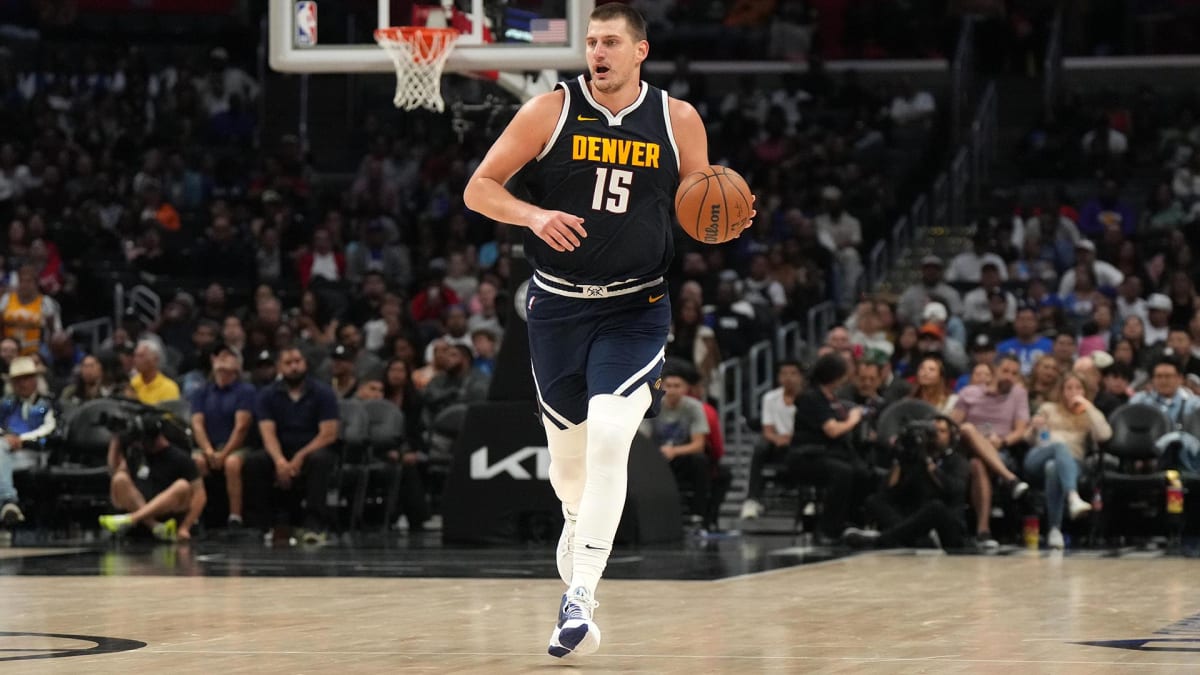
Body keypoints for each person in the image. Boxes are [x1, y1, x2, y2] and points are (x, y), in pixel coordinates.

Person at [462, 4, 752, 659]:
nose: (598, 51)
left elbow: (699, 203)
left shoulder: (677, 119)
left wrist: (722, 216)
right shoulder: (549, 111)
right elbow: (479, 189)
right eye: (592, 41)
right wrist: (533, 216)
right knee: (570, 472)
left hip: (635, 308)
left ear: (639, 51)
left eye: (611, 42)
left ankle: (580, 599)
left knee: (612, 438)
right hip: (558, 308)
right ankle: (576, 519)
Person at [246, 348, 340, 544]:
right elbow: (268, 433)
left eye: (298, 361)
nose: (294, 367)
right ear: (279, 367)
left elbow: (328, 434)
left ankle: (314, 524)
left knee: (320, 460)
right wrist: (280, 461)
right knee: (256, 461)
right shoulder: (267, 394)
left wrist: (300, 456)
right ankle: (262, 525)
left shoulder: (323, 392)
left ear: (305, 363)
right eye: (288, 363)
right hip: (281, 449)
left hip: (312, 448)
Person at [843, 416, 971, 550]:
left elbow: (955, 489)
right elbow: (888, 491)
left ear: (951, 437)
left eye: (942, 431)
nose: (936, 435)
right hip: (917, 521)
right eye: (933, 431)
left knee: (935, 507)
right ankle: (914, 538)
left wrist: (932, 467)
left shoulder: (957, 460)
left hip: (948, 527)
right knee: (874, 501)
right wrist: (900, 458)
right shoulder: (916, 459)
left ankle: (879, 540)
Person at [788, 354, 873, 542]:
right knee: (842, 473)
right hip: (806, 456)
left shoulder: (832, 398)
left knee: (862, 472)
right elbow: (832, 430)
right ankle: (827, 528)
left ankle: (851, 523)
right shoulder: (811, 397)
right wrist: (853, 419)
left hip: (829, 453)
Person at [950, 355, 1031, 548]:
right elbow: (951, 424)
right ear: (994, 371)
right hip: (966, 447)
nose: (1009, 376)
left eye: (1014, 373)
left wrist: (1002, 441)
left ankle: (983, 531)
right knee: (968, 428)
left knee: (978, 464)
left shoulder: (1019, 394)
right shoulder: (970, 392)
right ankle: (1010, 479)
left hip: (998, 449)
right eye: (1005, 371)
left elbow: (1020, 430)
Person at [1024, 372, 1112, 549]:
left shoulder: (1088, 414)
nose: (1073, 392)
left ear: (1085, 391)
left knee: (1053, 468)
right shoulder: (1048, 408)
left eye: (1078, 388)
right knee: (1059, 447)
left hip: (1072, 464)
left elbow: (1105, 435)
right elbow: (1028, 439)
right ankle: (1073, 497)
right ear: (1061, 391)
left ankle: (1054, 530)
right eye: (1069, 388)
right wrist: (1034, 428)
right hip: (1038, 457)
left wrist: (1088, 406)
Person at [99, 407, 206, 542]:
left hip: (168, 515)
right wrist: (116, 440)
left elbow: (200, 496)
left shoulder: (180, 458)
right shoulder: (137, 453)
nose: (138, 444)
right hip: (143, 511)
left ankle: (132, 519)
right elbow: (114, 473)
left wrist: (185, 527)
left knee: (182, 486)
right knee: (120, 478)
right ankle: (154, 526)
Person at [189, 343, 257, 529]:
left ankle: (235, 517)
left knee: (232, 463)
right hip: (209, 445)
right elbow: (197, 424)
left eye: (228, 356)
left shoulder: (245, 391)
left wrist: (224, 453)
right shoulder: (201, 391)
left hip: (236, 446)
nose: (222, 359)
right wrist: (208, 451)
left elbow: (241, 427)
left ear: (238, 365)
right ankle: (196, 516)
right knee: (197, 461)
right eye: (218, 356)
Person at [639, 371, 710, 526]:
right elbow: (643, 439)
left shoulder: (694, 407)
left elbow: (699, 445)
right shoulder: (652, 405)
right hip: (656, 457)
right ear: (662, 387)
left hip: (682, 457)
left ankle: (698, 514)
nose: (672, 390)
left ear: (686, 388)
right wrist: (659, 453)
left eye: (677, 386)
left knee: (700, 461)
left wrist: (674, 451)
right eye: (669, 386)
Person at [741, 359, 802, 520]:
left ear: (801, 377)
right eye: (784, 373)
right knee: (761, 447)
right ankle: (752, 500)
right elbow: (767, 430)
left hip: (800, 442)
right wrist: (778, 439)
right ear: (778, 377)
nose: (788, 377)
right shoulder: (770, 398)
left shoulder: (808, 398)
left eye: (793, 373)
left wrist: (792, 439)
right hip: (777, 442)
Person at [0, 357, 58, 527]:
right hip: (6, 449)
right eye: (17, 380)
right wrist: (6, 437)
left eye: (25, 379)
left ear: (35, 380)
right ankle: (8, 504)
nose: (21, 384)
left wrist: (22, 440)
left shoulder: (48, 403)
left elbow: (52, 431)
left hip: (34, 452)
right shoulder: (7, 404)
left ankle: (9, 500)